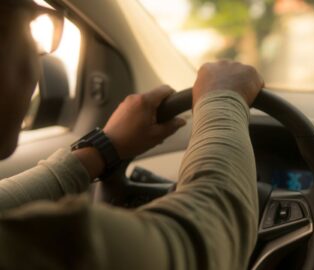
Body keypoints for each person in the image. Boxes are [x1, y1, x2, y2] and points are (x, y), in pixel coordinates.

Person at [0, 1, 264, 269]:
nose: (36, 60)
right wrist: (222, 99)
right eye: (29, 24)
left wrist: (103, 149)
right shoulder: (40, 246)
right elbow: (199, 242)